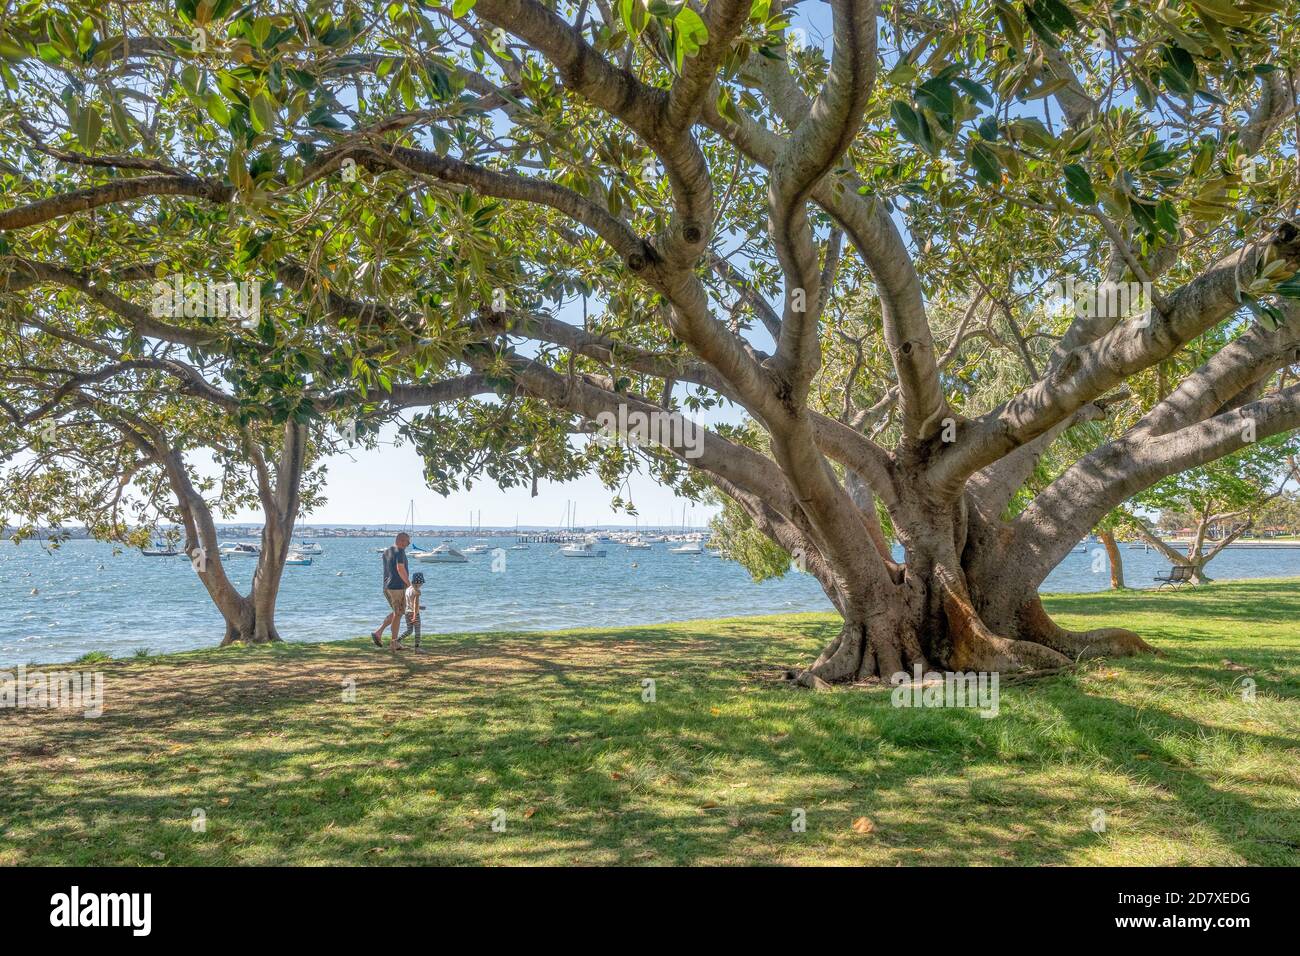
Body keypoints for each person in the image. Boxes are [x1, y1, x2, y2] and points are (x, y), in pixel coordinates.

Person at [372, 532, 411, 649]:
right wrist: (409, 584)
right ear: (400, 541)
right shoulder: (400, 551)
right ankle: (394, 642)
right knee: (398, 614)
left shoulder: (386, 552)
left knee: (397, 612)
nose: (408, 544)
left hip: (387, 587)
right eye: (407, 541)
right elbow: (400, 568)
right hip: (397, 587)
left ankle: (378, 632)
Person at [400, 572, 426, 648]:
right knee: (417, 631)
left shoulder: (408, 589)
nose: (422, 585)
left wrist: (420, 607)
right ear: (419, 582)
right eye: (421, 583)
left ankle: (396, 641)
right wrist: (415, 615)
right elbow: (415, 603)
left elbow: (409, 602)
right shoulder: (417, 591)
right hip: (414, 613)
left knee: (409, 631)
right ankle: (417, 648)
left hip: (407, 612)